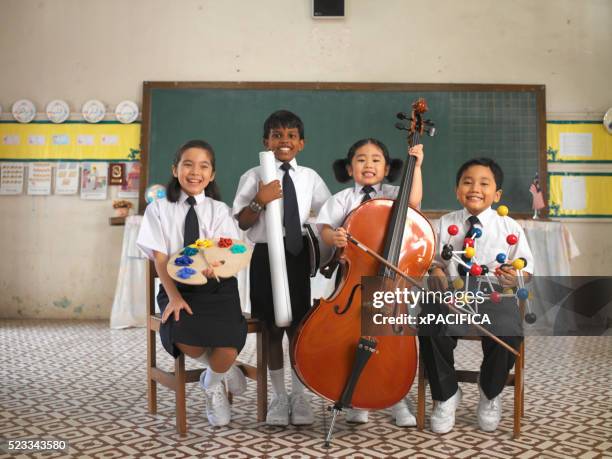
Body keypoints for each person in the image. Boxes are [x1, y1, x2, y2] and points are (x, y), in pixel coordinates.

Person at [137, 139, 248, 427]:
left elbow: (225, 252)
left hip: (218, 289)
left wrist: (217, 267)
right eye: (188, 164)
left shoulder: (218, 209)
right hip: (178, 287)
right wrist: (173, 296)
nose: (195, 172)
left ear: (211, 175)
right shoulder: (158, 209)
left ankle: (212, 381)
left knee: (227, 345)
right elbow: (159, 260)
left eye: (203, 166)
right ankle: (223, 371)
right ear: (175, 169)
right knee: (181, 333)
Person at [316, 137, 424, 426]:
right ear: (349, 168)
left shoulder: (392, 194)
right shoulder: (342, 199)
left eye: (376, 160)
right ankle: (356, 396)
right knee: (350, 338)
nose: (368, 165)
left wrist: (417, 166)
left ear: (387, 167)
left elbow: (412, 203)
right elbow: (325, 229)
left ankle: (397, 399)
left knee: (386, 339)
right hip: (351, 278)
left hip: (386, 280)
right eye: (361, 159)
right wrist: (334, 237)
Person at [233, 110, 331, 426]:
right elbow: (243, 222)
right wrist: (260, 200)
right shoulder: (253, 176)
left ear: (301, 143)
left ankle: (300, 397)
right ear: (266, 142)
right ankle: (278, 396)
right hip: (264, 257)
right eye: (276, 135)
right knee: (272, 328)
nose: (283, 141)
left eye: (290, 135)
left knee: (298, 327)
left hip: (296, 254)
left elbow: (329, 213)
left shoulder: (310, 178)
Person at [423, 157, 534, 434]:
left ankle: (490, 391)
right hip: (452, 296)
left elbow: (526, 269)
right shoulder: (444, 224)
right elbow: (431, 261)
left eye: (484, 183)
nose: (475, 188)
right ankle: (446, 395)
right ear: (457, 190)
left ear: (497, 195)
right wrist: (435, 271)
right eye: (467, 182)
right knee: (428, 320)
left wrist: (514, 276)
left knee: (509, 331)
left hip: (493, 295)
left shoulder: (509, 227)